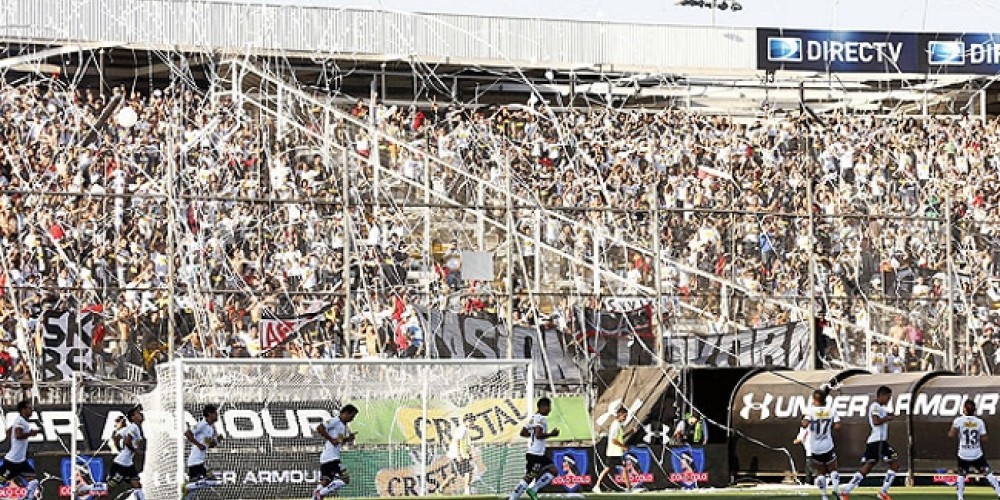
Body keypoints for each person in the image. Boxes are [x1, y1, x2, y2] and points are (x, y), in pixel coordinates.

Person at [841, 386, 898, 500]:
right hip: (878, 441)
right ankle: (883, 492)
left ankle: (846, 491)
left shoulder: (880, 407)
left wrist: (889, 415)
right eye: (888, 397)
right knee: (894, 464)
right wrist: (887, 418)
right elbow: (876, 421)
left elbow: (885, 415)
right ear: (881, 396)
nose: (888, 400)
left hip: (876, 441)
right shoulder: (875, 406)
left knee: (867, 467)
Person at [509, 397, 560, 500]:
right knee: (529, 477)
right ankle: (513, 498)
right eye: (548, 407)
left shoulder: (533, 418)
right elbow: (538, 435)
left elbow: (523, 432)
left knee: (554, 471)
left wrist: (532, 434)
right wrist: (551, 434)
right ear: (543, 407)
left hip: (538, 454)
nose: (549, 410)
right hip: (535, 454)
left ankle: (533, 489)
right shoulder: (541, 418)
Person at [948, 399, 1000, 500]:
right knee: (988, 474)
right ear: (974, 410)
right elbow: (985, 438)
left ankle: (960, 497)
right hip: (976, 454)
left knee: (961, 475)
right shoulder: (979, 422)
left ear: (964, 409)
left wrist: (957, 430)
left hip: (963, 454)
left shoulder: (958, 421)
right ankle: (999, 492)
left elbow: (951, 434)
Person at [802, 389, 842, 500]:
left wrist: (807, 421)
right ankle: (836, 490)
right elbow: (838, 427)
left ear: (814, 399)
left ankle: (824, 496)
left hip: (815, 447)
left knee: (820, 472)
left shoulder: (810, 411)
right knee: (833, 468)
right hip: (828, 444)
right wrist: (829, 425)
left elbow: (804, 424)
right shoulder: (831, 410)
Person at [313, 404, 358, 499]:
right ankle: (321, 493)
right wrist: (331, 439)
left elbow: (338, 441)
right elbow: (319, 428)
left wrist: (348, 439)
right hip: (331, 457)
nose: (352, 419)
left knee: (325, 481)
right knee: (345, 479)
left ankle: (315, 497)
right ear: (345, 413)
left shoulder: (343, 426)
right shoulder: (335, 421)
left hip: (327, 457)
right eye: (352, 416)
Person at [0, 400, 41, 499]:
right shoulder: (20, 421)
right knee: (1, 482)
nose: (31, 410)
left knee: (34, 481)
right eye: (29, 408)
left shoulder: (19, 421)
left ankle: (28, 497)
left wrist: (12, 432)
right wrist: (30, 434)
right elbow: (18, 435)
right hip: (12, 462)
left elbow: (10, 433)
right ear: (23, 410)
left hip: (21, 462)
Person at [183, 405, 223, 499]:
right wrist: (198, 444)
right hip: (195, 461)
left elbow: (209, 445)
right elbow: (187, 433)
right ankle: (186, 487)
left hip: (200, 461)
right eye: (215, 414)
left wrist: (217, 440)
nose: (217, 416)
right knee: (210, 481)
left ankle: (187, 490)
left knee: (196, 487)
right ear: (209, 414)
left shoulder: (211, 429)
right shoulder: (202, 424)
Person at [108, 407, 146, 500]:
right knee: (109, 488)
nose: (140, 414)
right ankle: (85, 488)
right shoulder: (134, 427)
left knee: (137, 485)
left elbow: (116, 437)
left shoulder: (131, 427)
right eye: (137, 413)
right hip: (121, 464)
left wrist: (120, 450)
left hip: (128, 464)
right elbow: (127, 441)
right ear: (133, 417)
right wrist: (135, 450)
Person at [594, 407, 630, 493]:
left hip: (617, 452)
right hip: (613, 452)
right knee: (607, 469)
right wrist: (623, 446)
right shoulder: (615, 425)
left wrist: (631, 432)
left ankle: (629, 488)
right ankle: (597, 486)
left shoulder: (619, 425)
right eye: (624, 416)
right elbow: (613, 440)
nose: (625, 418)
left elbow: (621, 437)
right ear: (620, 415)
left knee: (623, 468)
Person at [440, 415, 475, 494]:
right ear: (466, 421)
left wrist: (469, 454)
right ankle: (467, 491)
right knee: (468, 471)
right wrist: (458, 455)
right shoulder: (462, 429)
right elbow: (457, 441)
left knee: (453, 474)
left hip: (460, 455)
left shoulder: (465, 430)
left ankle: (440, 489)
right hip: (457, 455)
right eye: (470, 421)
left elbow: (466, 444)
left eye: (473, 420)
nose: (472, 422)